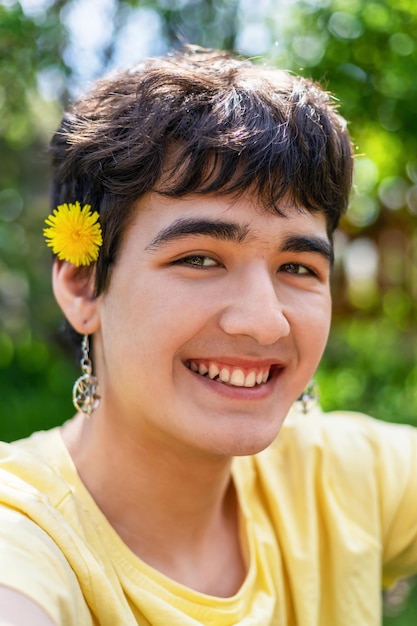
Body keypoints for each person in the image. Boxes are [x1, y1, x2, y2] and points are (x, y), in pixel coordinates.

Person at [0, 46, 416, 626]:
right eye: (199, 258)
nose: (265, 320)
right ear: (82, 285)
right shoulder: (22, 536)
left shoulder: (342, 480)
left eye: (298, 267)